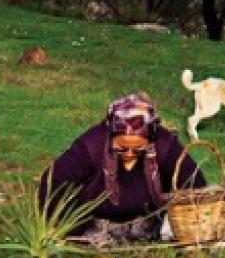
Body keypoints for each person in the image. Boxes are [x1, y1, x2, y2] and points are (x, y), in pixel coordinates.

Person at [38, 93, 205, 242]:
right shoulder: (91, 145)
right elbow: (54, 182)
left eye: (138, 149)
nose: (129, 154)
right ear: (111, 135)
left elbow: (194, 182)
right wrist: (66, 226)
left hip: (152, 223)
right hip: (94, 225)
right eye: (122, 148)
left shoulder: (164, 144)